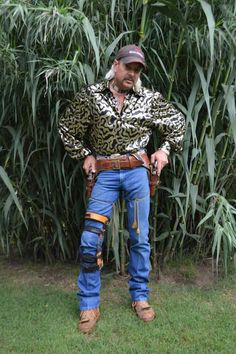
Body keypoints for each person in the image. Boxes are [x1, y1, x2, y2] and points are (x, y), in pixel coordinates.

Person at [58, 44, 185, 334]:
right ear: (116, 65)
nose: (133, 73)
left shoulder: (149, 98)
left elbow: (177, 123)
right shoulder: (91, 96)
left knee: (140, 237)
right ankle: (89, 302)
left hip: (137, 172)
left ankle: (140, 297)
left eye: (138, 69)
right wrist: (84, 155)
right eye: (129, 66)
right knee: (91, 238)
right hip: (103, 173)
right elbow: (67, 128)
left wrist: (163, 151)